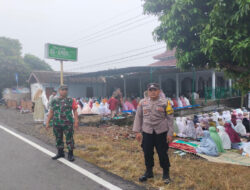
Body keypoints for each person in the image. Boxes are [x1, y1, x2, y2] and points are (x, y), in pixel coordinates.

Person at [133, 83, 174, 184]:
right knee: (147, 152)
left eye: (155, 90)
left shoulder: (166, 102)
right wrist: (137, 131)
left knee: (162, 153)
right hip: (147, 132)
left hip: (161, 132)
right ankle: (149, 172)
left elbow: (170, 119)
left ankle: (166, 174)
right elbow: (138, 117)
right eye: (150, 90)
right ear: (148, 91)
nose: (152, 92)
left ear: (159, 91)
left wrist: (170, 133)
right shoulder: (142, 102)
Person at [46, 85, 79, 162]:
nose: (64, 91)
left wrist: (76, 121)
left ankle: (70, 154)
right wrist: (47, 122)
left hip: (68, 123)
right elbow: (51, 112)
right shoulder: (54, 100)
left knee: (69, 138)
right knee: (58, 138)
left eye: (66, 89)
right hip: (56, 123)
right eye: (63, 89)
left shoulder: (71, 100)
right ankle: (60, 153)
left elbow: (75, 111)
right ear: (59, 91)